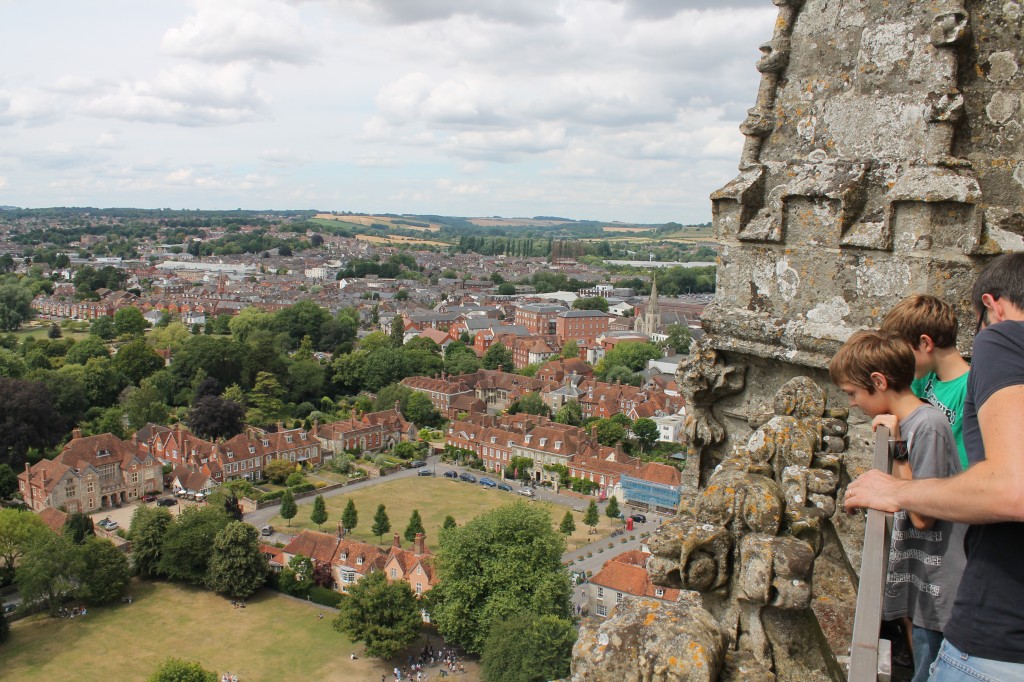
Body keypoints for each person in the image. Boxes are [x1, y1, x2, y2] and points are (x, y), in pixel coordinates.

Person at [845, 252, 1024, 680]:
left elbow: (994, 480)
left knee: (929, 639)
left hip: (974, 571)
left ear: (993, 306)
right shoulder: (926, 384)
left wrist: (897, 484)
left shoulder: (996, 351)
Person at [830, 329, 965, 681]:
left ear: (878, 381)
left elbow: (923, 514)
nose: (853, 404)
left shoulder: (928, 425)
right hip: (924, 581)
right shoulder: (915, 423)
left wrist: (898, 446)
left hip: (939, 585)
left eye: (853, 393)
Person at [881, 294, 971, 470]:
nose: (900, 360)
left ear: (924, 343)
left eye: (903, 351)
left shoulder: (970, 390)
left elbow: (961, 468)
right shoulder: (924, 375)